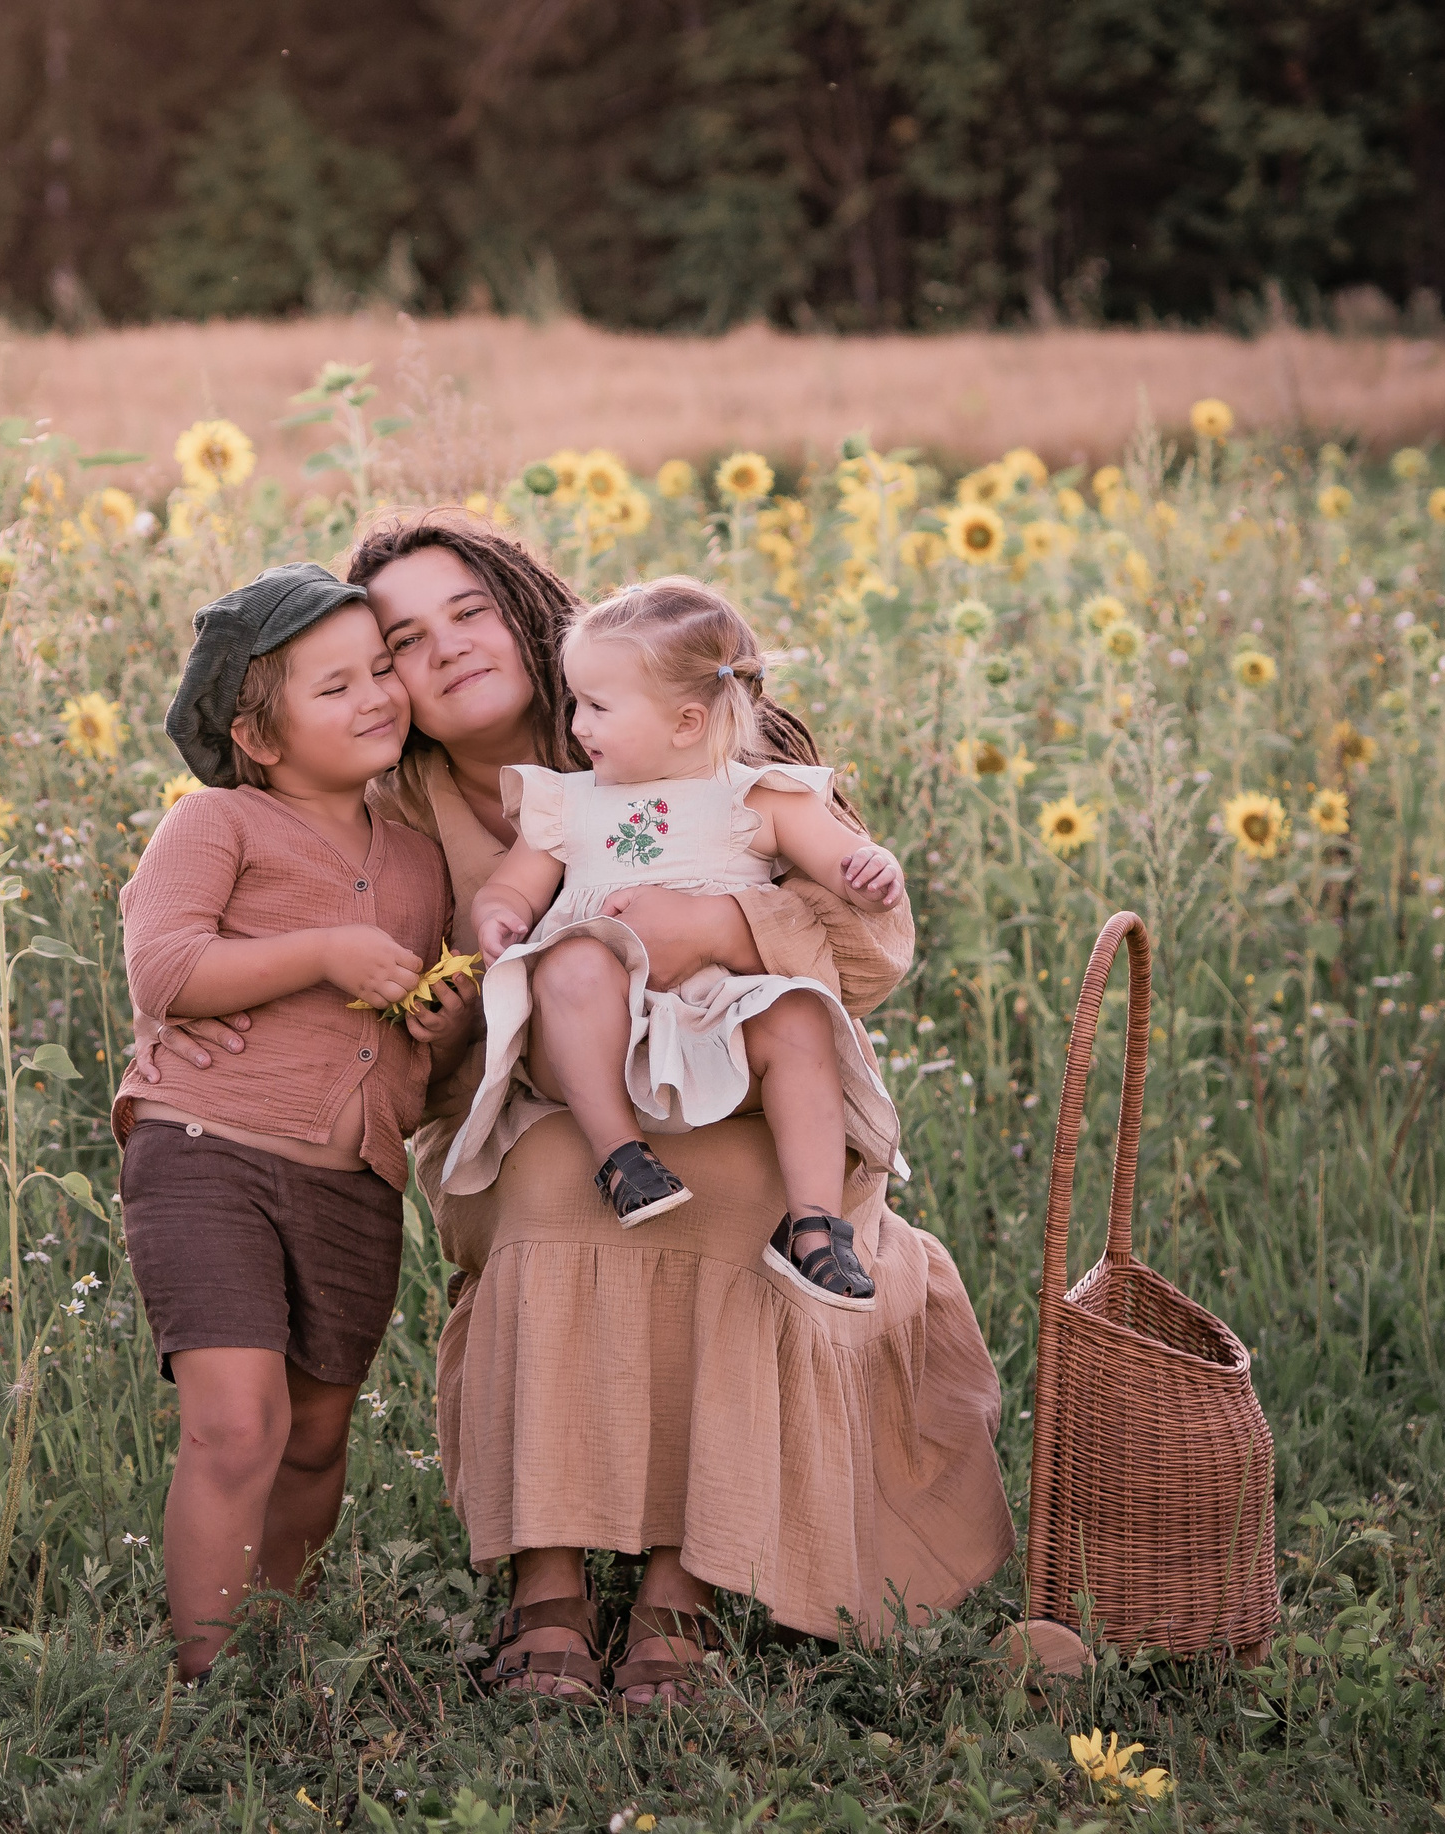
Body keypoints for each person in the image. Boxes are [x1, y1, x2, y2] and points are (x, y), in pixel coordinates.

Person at [134, 514, 1011, 1712]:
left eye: (468, 613)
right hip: (539, 1114)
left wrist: (717, 928)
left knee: (745, 1186)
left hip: (740, 1081)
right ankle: (545, 1580)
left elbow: (872, 942)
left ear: (521, 610)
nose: (441, 651)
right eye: (401, 639)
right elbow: (412, 1042)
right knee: (552, 1182)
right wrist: (275, 1026)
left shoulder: (660, 701)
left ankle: (680, 1585)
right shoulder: (392, 816)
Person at [114, 561, 475, 1681]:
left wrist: (442, 1020)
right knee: (238, 1423)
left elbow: (416, 1053)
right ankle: (204, 1678)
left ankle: (275, 1645)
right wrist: (319, 953)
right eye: (335, 687)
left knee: (317, 1435)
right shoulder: (217, 822)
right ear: (257, 736)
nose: (376, 695)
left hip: (352, 1181)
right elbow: (163, 966)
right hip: (206, 1152)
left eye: (381, 671)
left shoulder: (417, 859)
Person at [446, 577, 905, 1301]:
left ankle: (816, 1225)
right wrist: (500, 913)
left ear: (687, 722)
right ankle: (621, 1156)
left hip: (724, 1021)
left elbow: (843, 869)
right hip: (604, 1028)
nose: (578, 727)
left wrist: (873, 869)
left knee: (800, 1016)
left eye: (597, 707)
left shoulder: (760, 796)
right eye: (576, 704)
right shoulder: (569, 803)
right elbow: (515, 882)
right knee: (570, 965)